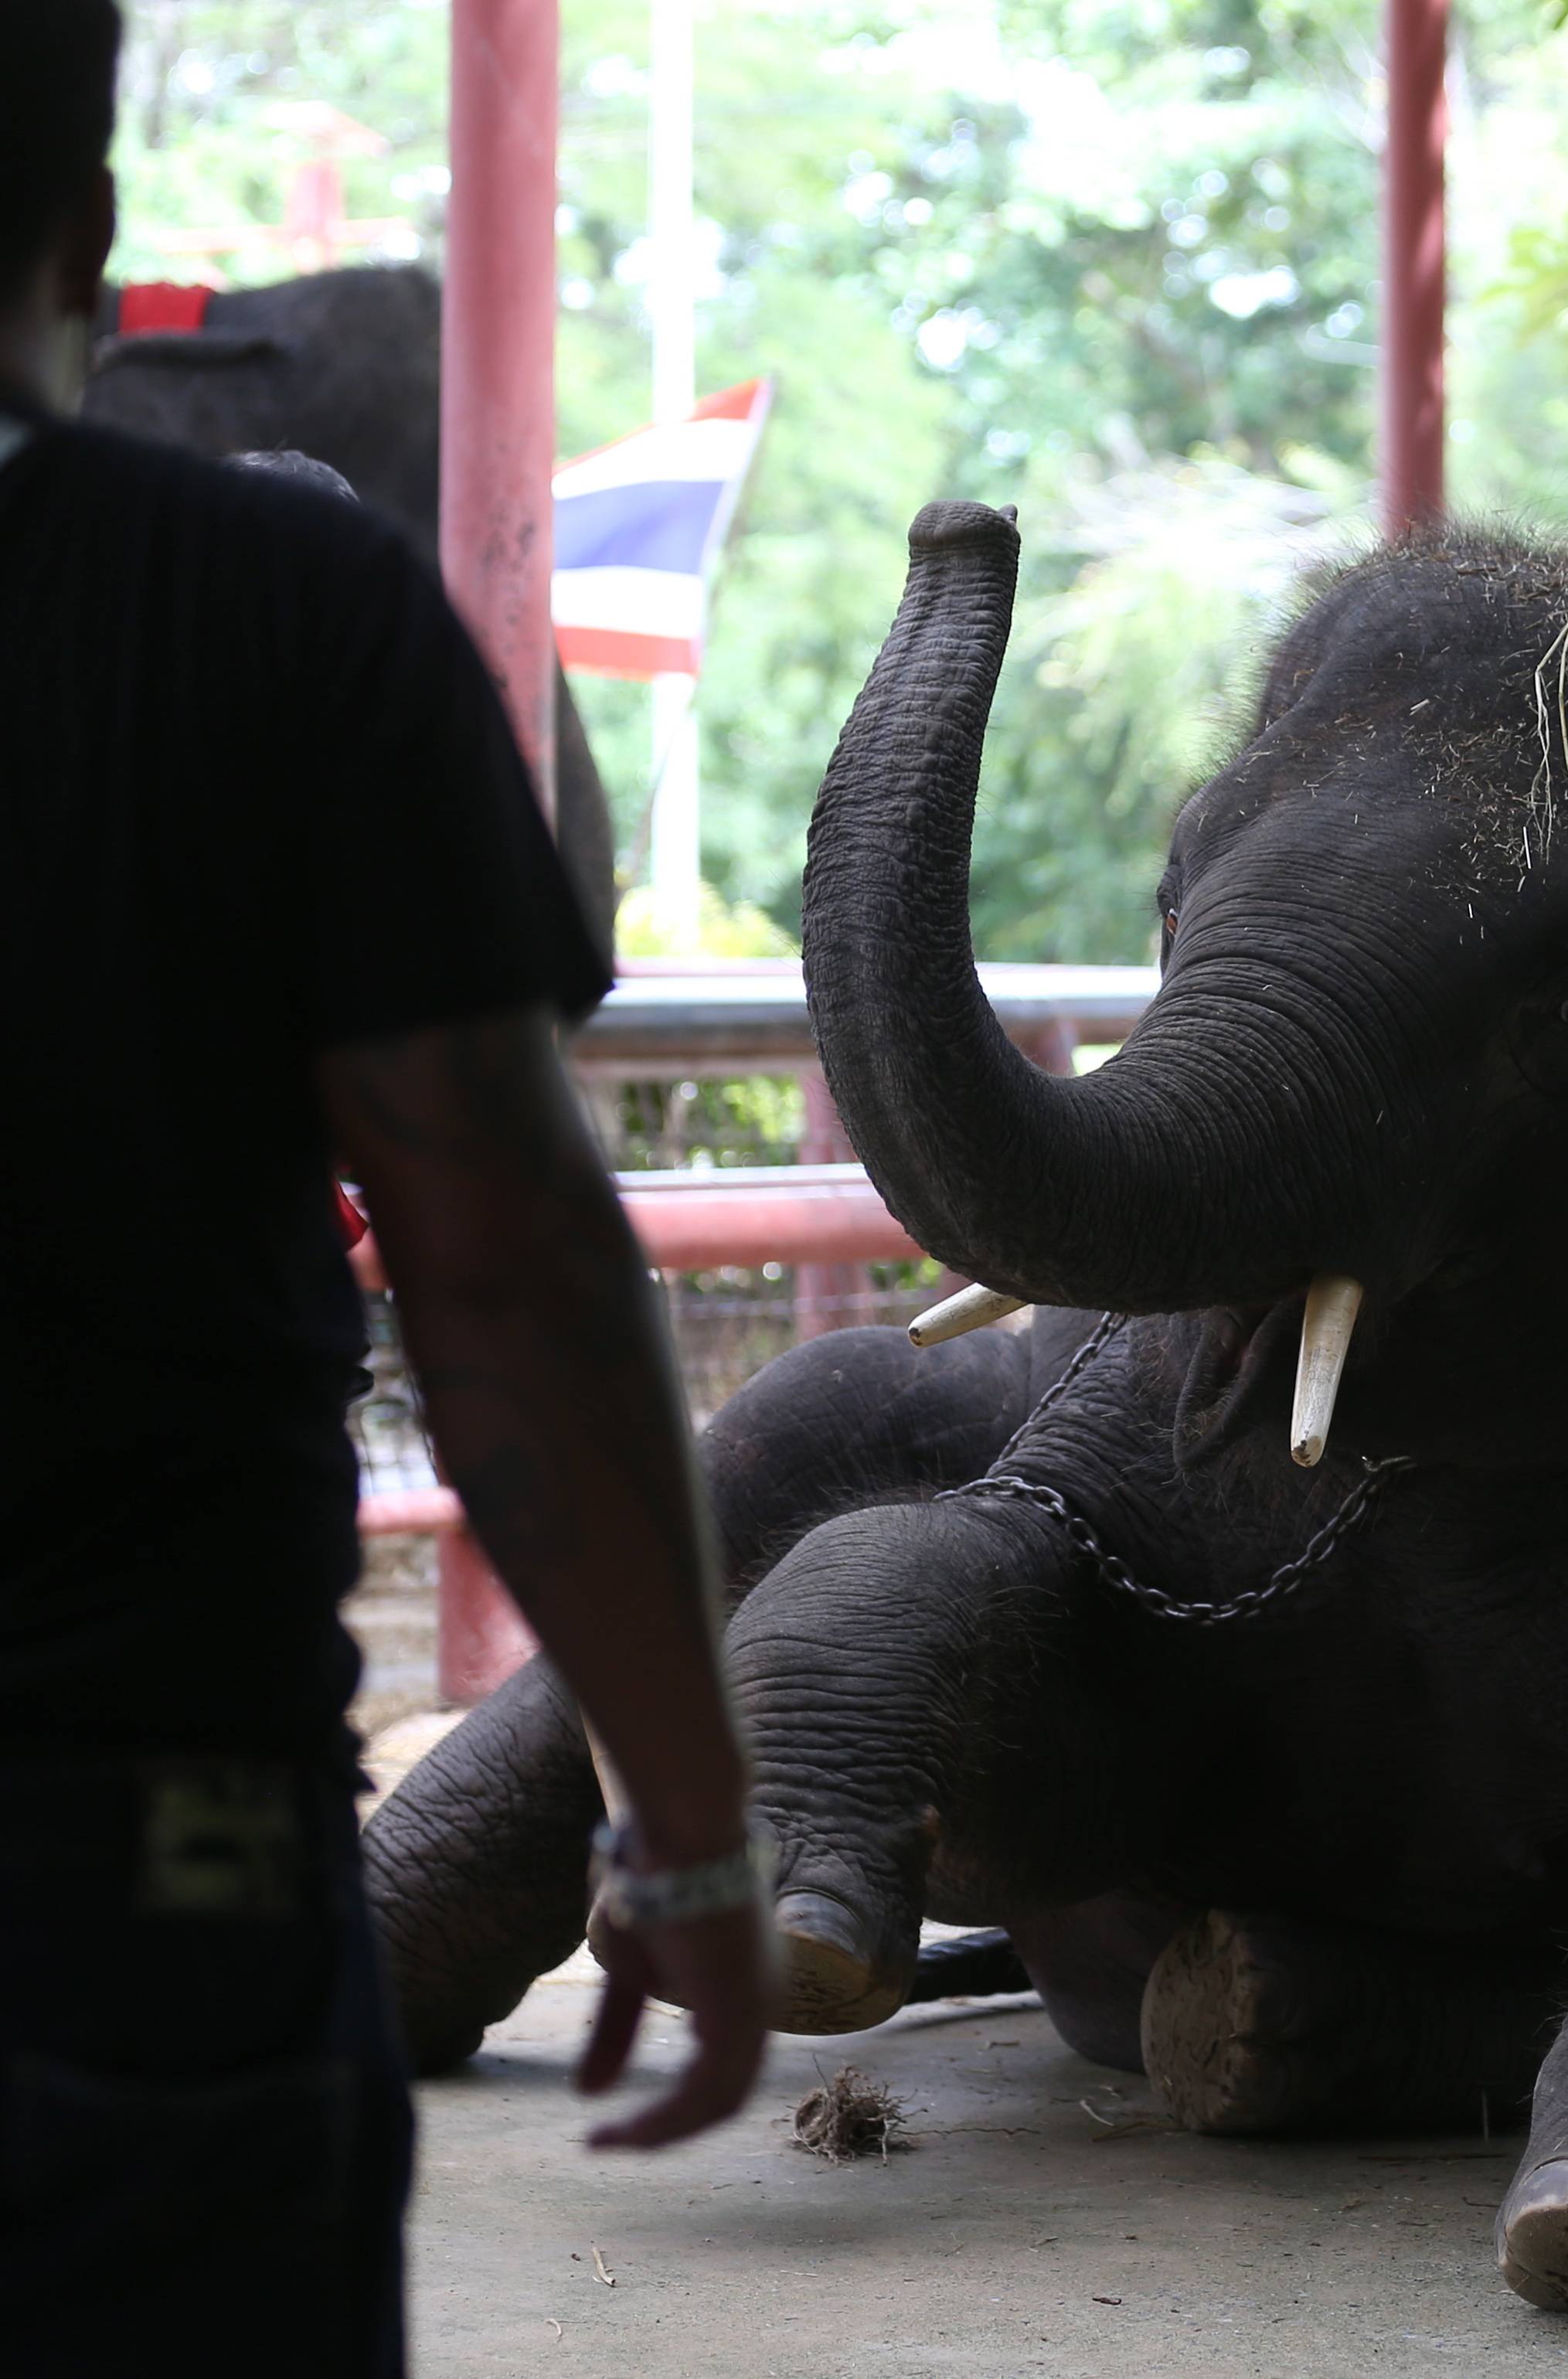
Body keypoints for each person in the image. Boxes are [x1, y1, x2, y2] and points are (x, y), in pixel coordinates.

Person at [0, 9, 771, 2370]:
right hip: (136, 1865)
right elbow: (512, 1270)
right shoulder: (271, 606)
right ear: (97, 238)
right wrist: (695, 1825)